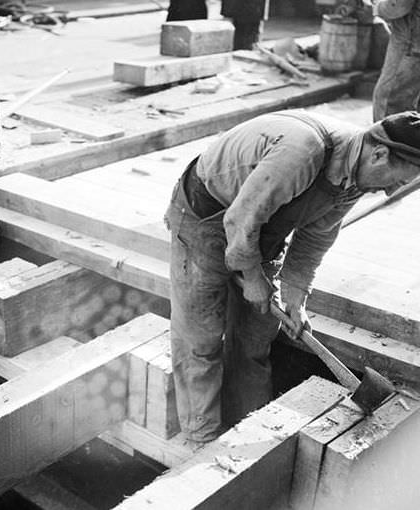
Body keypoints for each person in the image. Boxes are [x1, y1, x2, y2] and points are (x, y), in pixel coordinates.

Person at [164, 109, 420, 444]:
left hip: (263, 230)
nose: (390, 193)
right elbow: (239, 221)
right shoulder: (303, 152)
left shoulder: (357, 176)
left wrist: (296, 297)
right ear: (379, 153)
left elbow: (315, 237)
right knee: (201, 338)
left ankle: (248, 431)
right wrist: (254, 278)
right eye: (399, 181)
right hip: (206, 218)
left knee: (255, 339)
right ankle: (202, 438)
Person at [368, 0, 420, 121]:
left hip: (410, 44)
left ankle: (383, 139)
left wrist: (376, 7)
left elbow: (397, 7)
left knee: (389, 98)